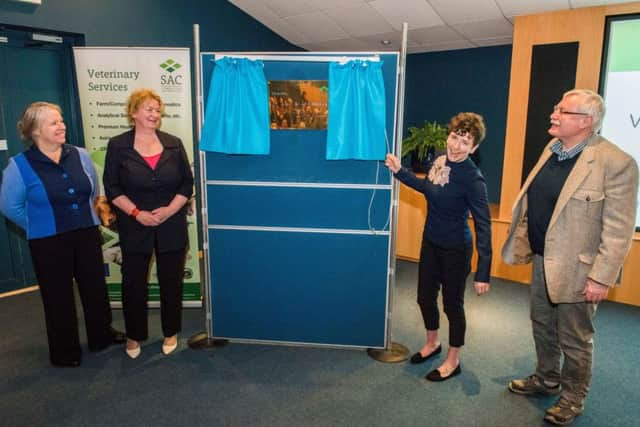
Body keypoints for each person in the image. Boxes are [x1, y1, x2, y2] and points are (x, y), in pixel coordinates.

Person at [502, 89, 638, 425]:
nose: (553, 114)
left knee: (575, 339)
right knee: (542, 325)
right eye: (556, 107)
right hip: (542, 259)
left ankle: (573, 397)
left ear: (586, 122)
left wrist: (601, 277)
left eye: (563, 110)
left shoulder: (617, 163)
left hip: (580, 270)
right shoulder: (552, 149)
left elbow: (619, 229)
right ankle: (547, 377)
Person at [0, 102, 125, 367]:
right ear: (35, 131)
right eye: (54, 122)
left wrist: (87, 217)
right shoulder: (19, 166)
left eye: (62, 120)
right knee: (58, 296)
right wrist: (38, 225)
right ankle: (65, 351)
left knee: (95, 289)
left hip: (86, 233)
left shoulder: (79, 154)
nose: (62, 126)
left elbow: (92, 189)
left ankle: (100, 336)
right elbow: (9, 206)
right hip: (48, 241)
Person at [385, 112, 492, 382]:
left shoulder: (473, 179)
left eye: (465, 142)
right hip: (430, 242)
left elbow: (483, 225)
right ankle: (433, 343)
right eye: (455, 137)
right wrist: (400, 171)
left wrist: (483, 271)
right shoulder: (439, 160)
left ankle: (453, 360)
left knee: (452, 306)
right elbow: (426, 186)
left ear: (474, 148)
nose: (456, 146)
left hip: (456, 249)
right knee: (424, 298)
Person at [103, 89, 193, 359]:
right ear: (133, 113)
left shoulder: (174, 143)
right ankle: (134, 336)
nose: (155, 114)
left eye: (157, 109)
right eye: (148, 109)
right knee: (133, 284)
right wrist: (136, 213)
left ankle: (170, 332)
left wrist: (169, 210)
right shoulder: (118, 145)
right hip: (134, 226)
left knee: (171, 282)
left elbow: (186, 183)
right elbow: (112, 187)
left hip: (171, 224)